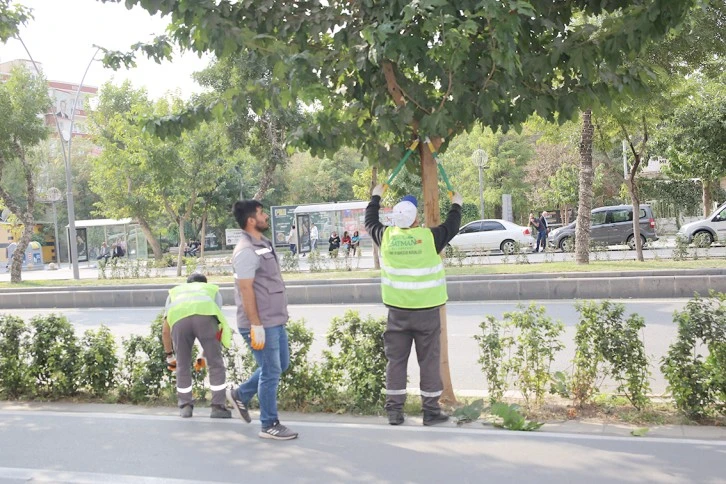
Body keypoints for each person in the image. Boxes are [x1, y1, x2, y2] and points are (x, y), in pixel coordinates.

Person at [365, 186, 462, 427]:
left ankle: (394, 412)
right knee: (428, 361)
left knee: (396, 361)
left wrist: (375, 196)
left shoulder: (385, 237)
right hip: (427, 312)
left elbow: (369, 221)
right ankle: (430, 412)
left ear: (395, 221)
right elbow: (452, 225)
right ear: (416, 219)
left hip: (397, 312)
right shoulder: (429, 238)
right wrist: (457, 204)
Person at [225, 199, 298, 440]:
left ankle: (240, 395)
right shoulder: (245, 250)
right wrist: (256, 325)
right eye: (261, 213)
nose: (265, 216)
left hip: (274, 319)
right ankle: (269, 424)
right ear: (251, 220)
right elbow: (246, 289)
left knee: (280, 365)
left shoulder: (262, 243)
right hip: (261, 323)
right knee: (271, 370)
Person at [162, 273, 233, 418]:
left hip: (179, 322)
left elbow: (165, 330)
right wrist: (204, 355)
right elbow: (216, 325)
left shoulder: (174, 293)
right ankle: (218, 407)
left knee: (182, 364)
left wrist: (169, 355)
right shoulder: (212, 291)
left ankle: (185, 407)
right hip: (205, 321)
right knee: (216, 364)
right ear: (205, 283)